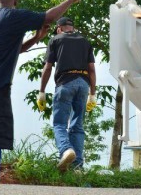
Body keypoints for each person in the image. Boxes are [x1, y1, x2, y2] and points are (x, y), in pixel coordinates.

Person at [0, 0, 88, 184]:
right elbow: (49, 18)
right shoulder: (12, 16)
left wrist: (36, 38)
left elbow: (14, 49)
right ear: (15, 1)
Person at [37, 16, 96, 171]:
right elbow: (92, 69)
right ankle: (77, 167)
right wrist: (93, 93)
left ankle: (66, 150)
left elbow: (48, 67)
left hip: (65, 84)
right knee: (78, 126)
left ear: (59, 28)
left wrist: (41, 91)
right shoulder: (85, 41)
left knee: (59, 124)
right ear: (72, 28)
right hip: (83, 85)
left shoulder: (56, 40)